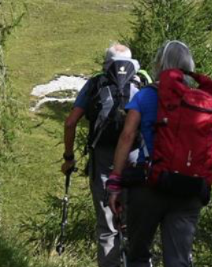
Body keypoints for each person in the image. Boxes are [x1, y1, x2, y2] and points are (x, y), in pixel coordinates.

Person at [107, 41, 212, 267]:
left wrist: (115, 183)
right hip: (189, 188)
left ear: (160, 64)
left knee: (138, 255)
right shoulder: (200, 101)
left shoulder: (146, 95)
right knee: (179, 260)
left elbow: (127, 136)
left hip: (149, 185)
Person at [61, 43, 148, 267]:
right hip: (134, 159)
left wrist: (69, 157)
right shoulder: (142, 82)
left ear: (106, 63)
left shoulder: (95, 83)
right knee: (135, 224)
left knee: (107, 226)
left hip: (103, 159)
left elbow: (70, 123)